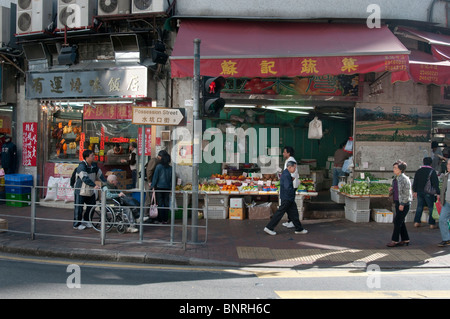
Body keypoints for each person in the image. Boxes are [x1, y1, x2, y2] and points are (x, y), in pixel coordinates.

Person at [264, 161, 308, 236]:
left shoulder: (285, 173)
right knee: (280, 213)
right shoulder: (286, 175)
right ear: (290, 167)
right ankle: (269, 227)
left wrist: (291, 179)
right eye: (294, 167)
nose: (295, 169)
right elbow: (287, 187)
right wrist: (294, 190)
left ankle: (299, 229)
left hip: (288, 197)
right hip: (287, 197)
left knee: (294, 213)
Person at [73, 149, 107, 230]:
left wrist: (106, 184)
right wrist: (94, 185)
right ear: (86, 157)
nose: (94, 157)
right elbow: (84, 178)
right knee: (79, 208)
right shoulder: (81, 166)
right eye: (92, 155)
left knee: (92, 206)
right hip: (80, 190)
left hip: (90, 191)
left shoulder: (94, 165)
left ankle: (87, 220)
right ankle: (76, 224)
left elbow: (100, 175)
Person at [387, 160, 412, 247]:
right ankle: (405, 239)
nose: (394, 169)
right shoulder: (396, 178)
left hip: (404, 203)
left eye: (395, 168)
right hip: (398, 202)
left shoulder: (404, 179)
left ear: (400, 169)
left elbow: (406, 193)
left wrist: (402, 203)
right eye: (393, 167)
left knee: (397, 221)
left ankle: (395, 240)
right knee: (400, 221)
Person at [412, 157, 440, 229]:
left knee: (419, 206)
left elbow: (415, 181)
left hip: (419, 191)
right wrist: (438, 192)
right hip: (429, 192)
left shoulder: (419, 171)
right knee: (431, 207)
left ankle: (417, 222)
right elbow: (435, 183)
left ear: (423, 162)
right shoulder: (432, 171)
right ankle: (431, 224)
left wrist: (414, 190)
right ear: (431, 163)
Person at [144, 150, 167, 220]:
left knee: (152, 198)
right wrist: (150, 181)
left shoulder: (157, 161)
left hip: (153, 182)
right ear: (161, 157)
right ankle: (146, 215)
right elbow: (149, 171)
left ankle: (151, 215)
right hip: (149, 182)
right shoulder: (154, 161)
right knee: (149, 198)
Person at [281, 146, 300, 229]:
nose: (283, 153)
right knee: (290, 204)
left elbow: (292, 174)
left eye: (284, 152)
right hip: (289, 185)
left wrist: (286, 181)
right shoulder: (288, 160)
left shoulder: (291, 160)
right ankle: (290, 221)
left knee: (289, 204)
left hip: (291, 185)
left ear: (288, 153)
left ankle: (292, 221)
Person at [151, 152, 172, 224]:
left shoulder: (158, 167)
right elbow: (172, 179)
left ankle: (160, 219)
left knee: (159, 203)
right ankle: (165, 219)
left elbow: (155, 177)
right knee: (166, 203)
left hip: (159, 187)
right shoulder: (170, 168)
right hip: (167, 187)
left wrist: (153, 186)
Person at [437, 160, 450, 247]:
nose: (447, 166)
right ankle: (446, 239)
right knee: (442, 219)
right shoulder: (447, 175)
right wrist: (441, 199)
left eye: (449, 164)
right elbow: (443, 189)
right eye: (448, 164)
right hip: (447, 202)